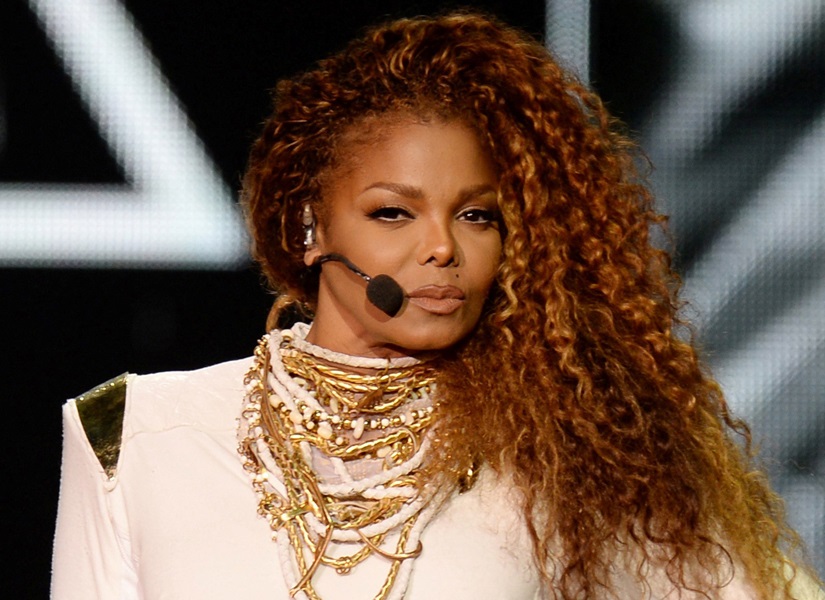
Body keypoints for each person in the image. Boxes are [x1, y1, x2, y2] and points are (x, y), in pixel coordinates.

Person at [51, 11, 823, 600]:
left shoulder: (569, 451)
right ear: (308, 227)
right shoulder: (131, 436)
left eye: (477, 216)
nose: (441, 249)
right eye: (392, 212)